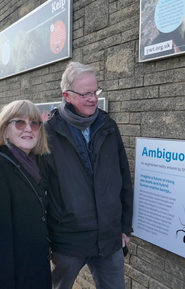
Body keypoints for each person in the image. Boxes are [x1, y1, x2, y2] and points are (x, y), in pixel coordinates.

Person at [44, 62, 134, 289]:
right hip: (68, 240)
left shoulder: (108, 126)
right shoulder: (49, 132)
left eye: (95, 92)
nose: (92, 99)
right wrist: (45, 239)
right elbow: (40, 190)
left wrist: (124, 226)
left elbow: (123, 178)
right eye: (85, 94)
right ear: (67, 95)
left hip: (109, 238)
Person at [0, 100, 52, 288]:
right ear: (5, 130)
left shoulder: (33, 163)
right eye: (19, 122)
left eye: (34, 123)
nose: (28, 128)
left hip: (33, 273)